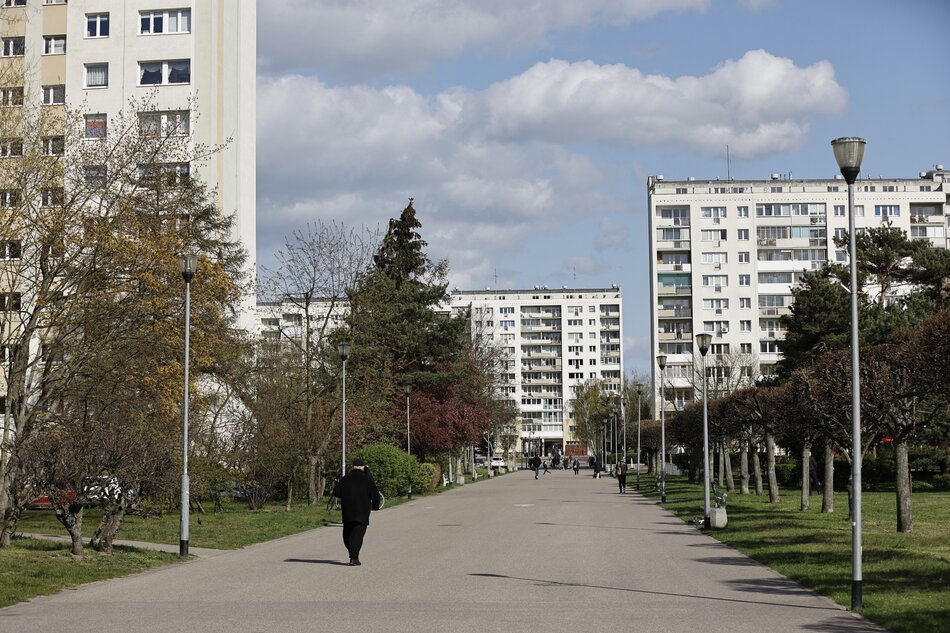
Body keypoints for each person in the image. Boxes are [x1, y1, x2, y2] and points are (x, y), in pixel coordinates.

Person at [332, 458, 381, 566]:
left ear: (353, 467)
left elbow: (336, 492)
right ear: (363, 467)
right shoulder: (367, 479)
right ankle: (354, 558)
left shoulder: (345, 479)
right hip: (362, 512)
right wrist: (376, 506)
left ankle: (352, 552)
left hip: (348, 511)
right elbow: (375, 495)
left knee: (347, 534)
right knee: (358, 535)